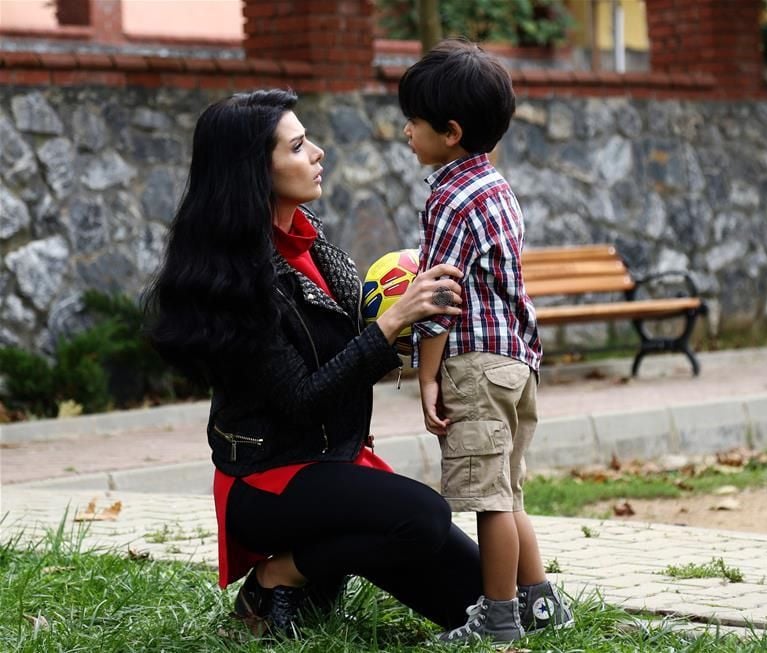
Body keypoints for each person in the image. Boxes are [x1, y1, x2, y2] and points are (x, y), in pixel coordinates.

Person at [142, 88, 483, 639]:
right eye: (298, 146)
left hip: (334, 462)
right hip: (270, 478)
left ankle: (315, 573)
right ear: (254, 170)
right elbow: (302, 398)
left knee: (485, 598)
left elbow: (348, 350)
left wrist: (407, 323)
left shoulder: (310, 241)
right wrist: (391, 323)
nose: (319, 153)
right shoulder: (240, 281)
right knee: (421, 515)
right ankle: (278, 575)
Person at [398, 39, 573, 644]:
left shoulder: (449, 196)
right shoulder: (496, 186)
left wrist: (426, 376)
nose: (405, 131)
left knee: (489, 502)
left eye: (413, 122)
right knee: (509, 490)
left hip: (475, 365)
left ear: (449, 131)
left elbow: (439, 294)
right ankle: (541, 603)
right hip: (517, 364)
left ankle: (497, 618)